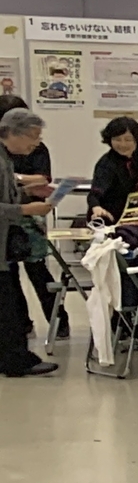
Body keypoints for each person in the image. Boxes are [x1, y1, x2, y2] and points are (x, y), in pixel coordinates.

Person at [2, 105, 56, 377]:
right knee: (7, 306)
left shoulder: (6, 161)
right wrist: (25, 209)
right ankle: (17, 360)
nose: (36, 144)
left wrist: (26, 192)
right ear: (13, 133)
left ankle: (15, 358)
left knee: (8, 304)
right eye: (32, 136)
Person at [86, 117, 138, 231]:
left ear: (137, 139)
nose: (123, 144)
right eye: (117, 139)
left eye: (128, 140)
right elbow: (94, 194)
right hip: (106, 216)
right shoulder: (106, 164)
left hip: (130, 214)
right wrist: (96, 208)